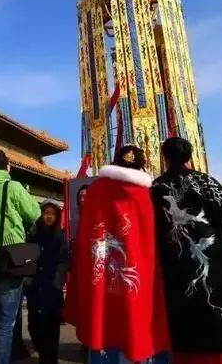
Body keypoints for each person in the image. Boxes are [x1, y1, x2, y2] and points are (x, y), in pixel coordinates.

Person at [151, 137, 222, 364]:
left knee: (184, 316)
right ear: (190, 157)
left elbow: (153, 229)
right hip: (214, 258)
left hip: (176, 262)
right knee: (221, 311)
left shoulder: (156, 188)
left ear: (164, 157)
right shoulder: (207, 182)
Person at [65, 145, 171, 363]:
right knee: (136, 325)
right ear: (142, 166)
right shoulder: (147, 195)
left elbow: (87, 238)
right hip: (138, 277)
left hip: (101, 276)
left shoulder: (95, 190)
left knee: (102, 325)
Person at [0, 149, 41, 364]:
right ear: (7, 166)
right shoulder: (13, 187)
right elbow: (35, 213)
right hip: (9, 261)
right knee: (5, 323)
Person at [25, 200, 68, 364]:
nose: (49, 216)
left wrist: (57, 283)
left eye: (52, 214)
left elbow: (63, 261)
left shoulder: (60, 237)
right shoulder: (34, 235)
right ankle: (43, 351)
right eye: (46, 213)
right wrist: (28, 281)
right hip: (35, 287)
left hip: (52, 289)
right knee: (33, 325)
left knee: (51, 329)